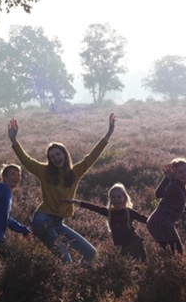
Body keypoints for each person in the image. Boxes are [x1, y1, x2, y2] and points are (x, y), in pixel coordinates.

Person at [7, 113, 116, 264]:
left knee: (91, 253)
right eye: (52, 157)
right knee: (66, 259)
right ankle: (63, 284)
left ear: (65, 154)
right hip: (42, 221)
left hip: (58, 222)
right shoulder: (45, 171)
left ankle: (77, 281)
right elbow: (27, 161)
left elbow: (92, 156)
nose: (56, 158)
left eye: (58, 154)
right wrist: (14, 140)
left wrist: (109, 133)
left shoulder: (75, 172)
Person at [65, 183, 148, 262]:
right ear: (110, 199)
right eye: (113, 197)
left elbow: (145, 220)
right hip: (124, 247)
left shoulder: (129, 212)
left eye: (119, 197)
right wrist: (74, 201)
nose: (116, 199)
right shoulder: (109, 212)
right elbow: (92, 207)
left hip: (135, 245)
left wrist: (158, 220)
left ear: (124, 198)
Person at [146, 157, 186, 254]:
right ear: (174, 175)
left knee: (172, 252)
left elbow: (179, 205)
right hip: (161, 222)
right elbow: (158, 194)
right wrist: (166, 178)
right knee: (178, 252)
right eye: (180, 172)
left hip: (155, 222)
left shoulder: (180, 187)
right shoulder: (174, 186)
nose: (185, 173)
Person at [0, 164, 31, 257]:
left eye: (18, 174)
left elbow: (8, 220)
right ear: (4, 177)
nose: (16, 177)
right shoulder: (3, 188)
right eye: (12, 174)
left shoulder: (8, 194)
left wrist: (24, 230)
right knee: (8, 258)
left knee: (7, 257)